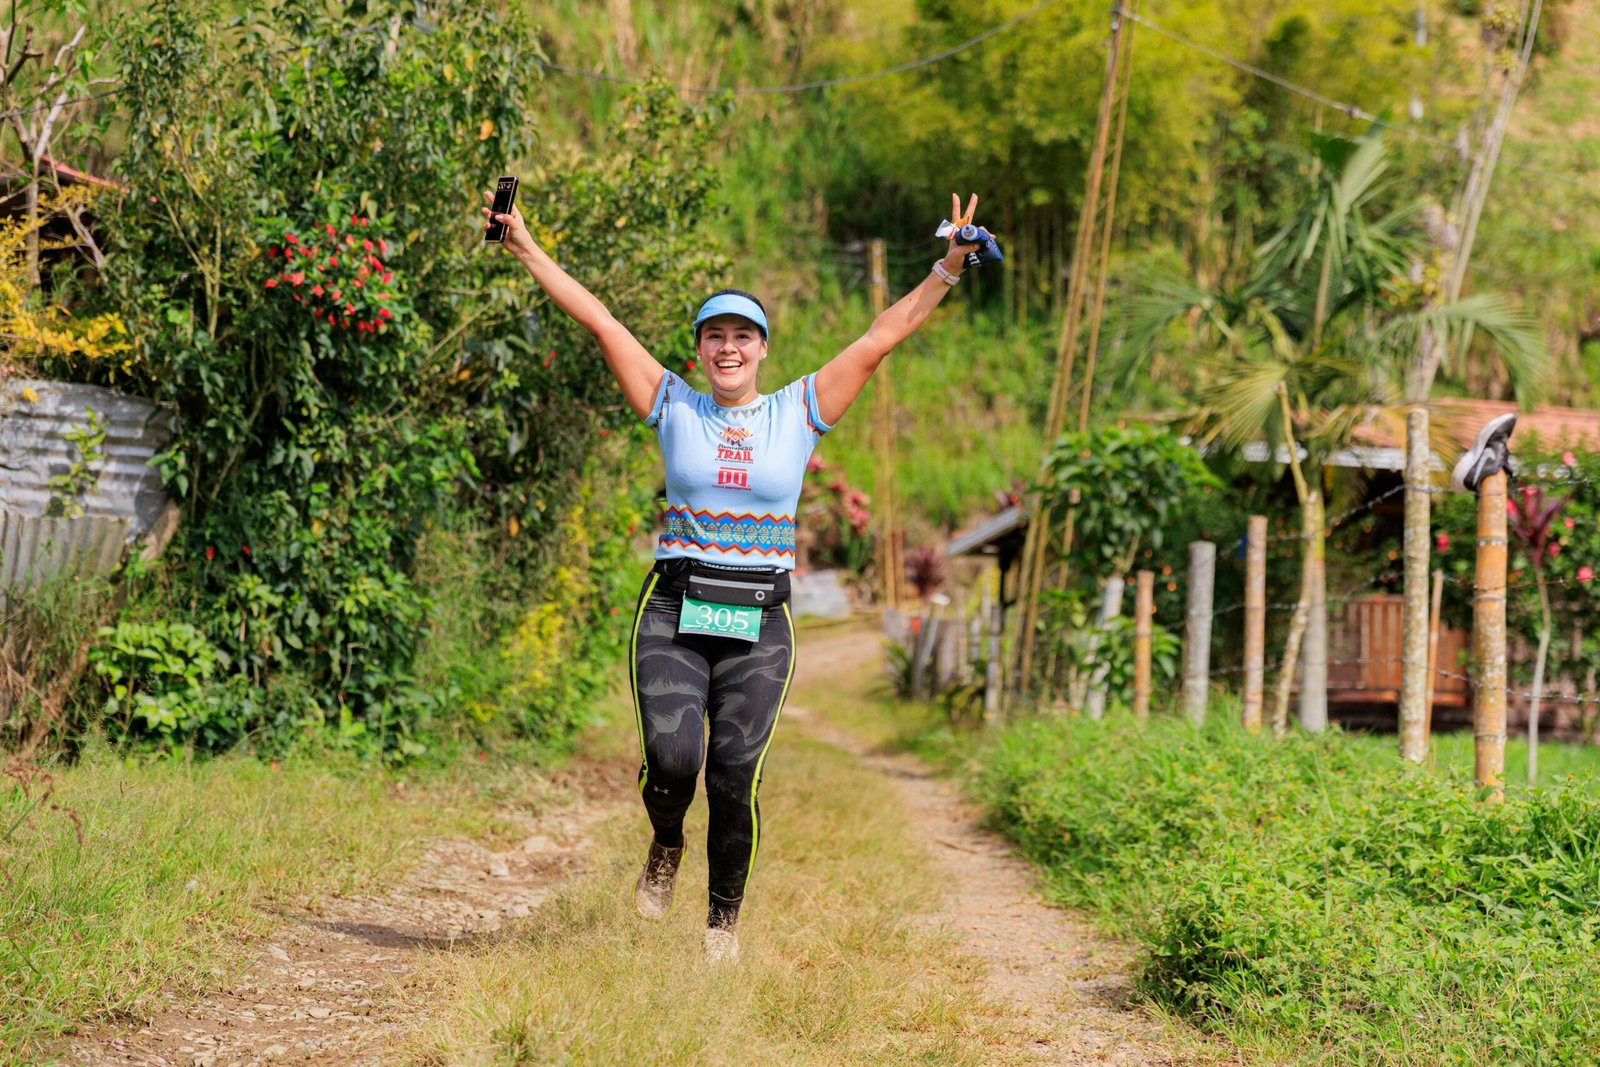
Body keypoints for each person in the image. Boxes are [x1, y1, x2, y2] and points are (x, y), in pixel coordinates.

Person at [484, 191, 989, 963]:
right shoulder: (671, 403)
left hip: (760, 621)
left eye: (742, 336)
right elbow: (600, 321)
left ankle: (723, 927)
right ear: (699, 348)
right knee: (674, 758)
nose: (728, 347)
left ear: (762, 348)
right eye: (714, 335)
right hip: (675, 608)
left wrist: (950, 264)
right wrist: (523, 244)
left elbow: (884, 333)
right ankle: (663, 841)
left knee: (732, 776)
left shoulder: (800, 409)